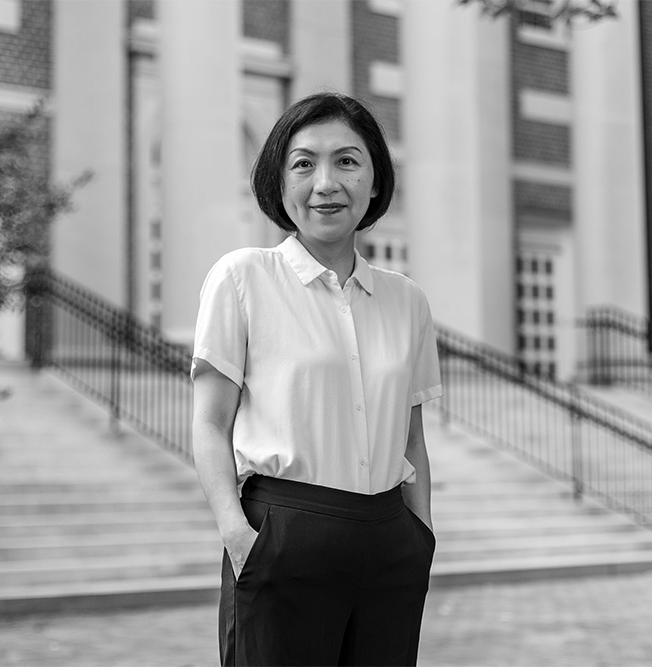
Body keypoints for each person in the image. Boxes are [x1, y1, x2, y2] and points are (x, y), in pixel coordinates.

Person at [190, 92, 443, 667]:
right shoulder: (243, 278)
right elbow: (209, 423)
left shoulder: (406, 300)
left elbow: (411, 439)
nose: (325, 183)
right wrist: (237, 534)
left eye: (347, 161)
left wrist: (420, 536)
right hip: (281, 534)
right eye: (303, 163)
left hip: (389, 540)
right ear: (278, 183)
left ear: (375, 181)